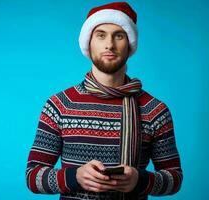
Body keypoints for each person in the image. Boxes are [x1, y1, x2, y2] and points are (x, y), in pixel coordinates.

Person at [26, 2, 183, 199]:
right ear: (89, 43)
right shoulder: (60, 105)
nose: (109, 44)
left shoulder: (155, 110)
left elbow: (175, 178)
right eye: (101, 35)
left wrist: (140, 180)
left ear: (130, 44)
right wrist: (75, 177)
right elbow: (32, 176)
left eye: (119, 35)